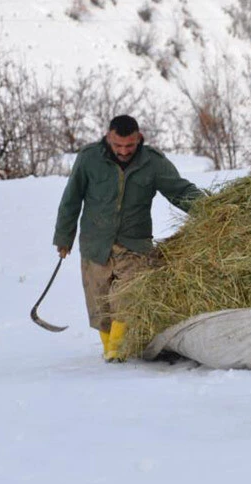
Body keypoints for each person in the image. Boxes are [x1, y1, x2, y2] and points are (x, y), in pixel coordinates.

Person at [53, 115, 204, 362]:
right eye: (118, 145)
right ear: (108, 138)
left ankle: (117, 350)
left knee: (128, 296)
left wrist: (210, 209)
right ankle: (110, 348)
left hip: (134, 244)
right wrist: (64, 237)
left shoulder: (153, 162)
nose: (124, 151)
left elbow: (180, 190)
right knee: (99, 302)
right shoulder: (89, 158)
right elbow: (71, 199)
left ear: (139, 139)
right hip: (95, 244)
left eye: (130, 146)